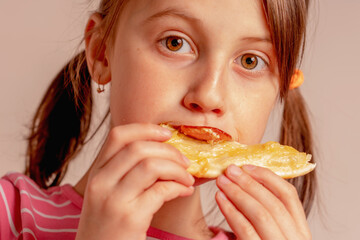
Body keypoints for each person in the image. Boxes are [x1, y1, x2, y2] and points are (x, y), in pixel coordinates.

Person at [0, 0, 317, 239]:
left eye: (250, 61)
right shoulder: (10, 214)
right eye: (175, 42)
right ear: (101, 54)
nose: (209, 95)